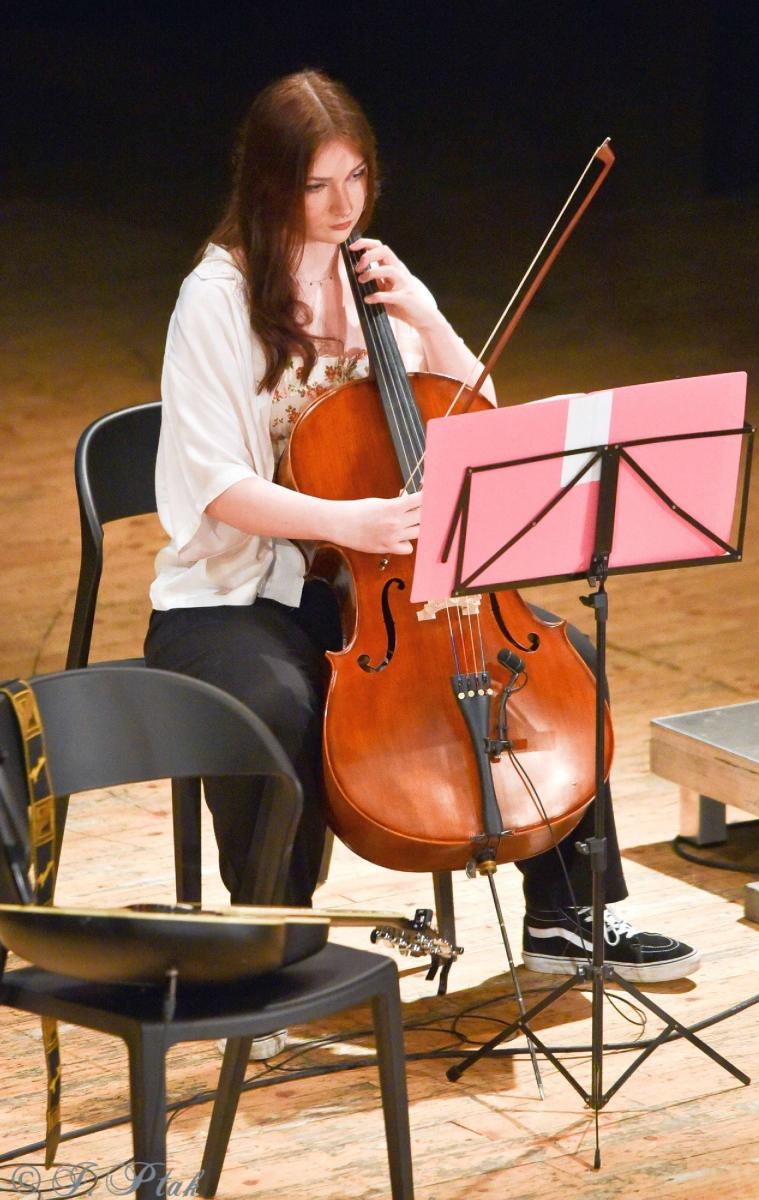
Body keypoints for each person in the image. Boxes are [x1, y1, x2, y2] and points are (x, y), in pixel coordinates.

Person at [144, 69, 700, 999]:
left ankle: (569, 915)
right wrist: (348, 520)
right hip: (237, 592)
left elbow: (480, 426)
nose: (340, 206)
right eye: (316, 186)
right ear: (268, 185)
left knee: (564, 662)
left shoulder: (373, 279)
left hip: (372, 582)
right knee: (277, 705)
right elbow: (218, 487)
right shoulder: (216, 300)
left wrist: (428, 317)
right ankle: (266, 960)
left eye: (355, 179)